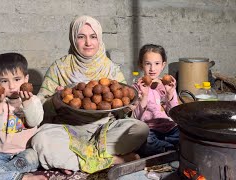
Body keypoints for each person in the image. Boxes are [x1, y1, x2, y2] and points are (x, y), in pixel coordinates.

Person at [31, 15, 149, 174]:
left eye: (93, 37)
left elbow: (121, 106)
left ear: (99, 38)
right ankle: (112, 160)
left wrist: (129, 108)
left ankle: (74, 160)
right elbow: (40, 108)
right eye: (81, 37)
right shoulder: (60, 68)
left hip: (104, 129)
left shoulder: (110, 69)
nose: (88, 42)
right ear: (73, 39)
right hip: (67, 128)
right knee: (41, 140)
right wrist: (55, 102)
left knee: (140, 129)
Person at [0, 53, 46, 180]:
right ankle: (21, 177)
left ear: (26, 79)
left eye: (17, 79)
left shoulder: (34, 100)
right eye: (4, 81)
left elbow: (34, 122)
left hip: (26, 153)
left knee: (32, 157)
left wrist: (26, 103)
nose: (11, 86)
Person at [133, 44, 179, 157]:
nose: (152, 69)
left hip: (170, 128)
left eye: (157, 64)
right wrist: (144, 96)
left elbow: (174, 114)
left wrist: (170, 94)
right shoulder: (136, 88)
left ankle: (167, 149)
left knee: (187, 134)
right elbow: (135, 118)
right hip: (150, 131)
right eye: (148, 64)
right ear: (141, 65)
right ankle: (170, 149)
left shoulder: (167, 85)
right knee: (144, 143)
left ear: (163, 65)